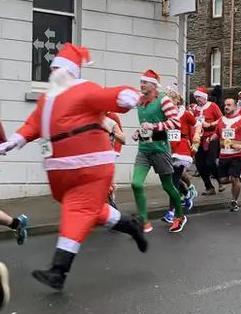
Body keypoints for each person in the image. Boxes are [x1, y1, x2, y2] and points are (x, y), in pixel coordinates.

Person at [0, 43, 148, 290]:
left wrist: (129, 95)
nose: (54, 72)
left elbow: (109, 96)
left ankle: (59, 271)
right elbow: (33, 125)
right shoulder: (46, 100)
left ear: (70, 71)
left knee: (77, 211)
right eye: (53, 68)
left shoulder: (84, 90)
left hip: (90, 167)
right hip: (62, 172)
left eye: (59, 68)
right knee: (92, 210)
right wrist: (14, 141)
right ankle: (131, 225)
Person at [131, 69, 187, 233]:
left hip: (160, 149)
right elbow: (145, 125)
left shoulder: (164, 100)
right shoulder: (140, 101)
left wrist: (154, 127)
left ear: (154, 85)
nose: (141, 85)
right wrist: (138, 132)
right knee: (136, 183)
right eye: (141, 82)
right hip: (144, 149)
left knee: (168, 186)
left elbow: (176, 122)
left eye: (145, 82)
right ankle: (144, 220)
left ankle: (179, 215)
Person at [161, 86, 197, 223]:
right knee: (168, 180)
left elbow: (197, 125)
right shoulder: (164, 115)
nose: (168, 103)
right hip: (168, 148)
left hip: (181, 149)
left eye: (171, 99)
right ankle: (187, 194)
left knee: (173, 181)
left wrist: (195, 143)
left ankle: (172, 212)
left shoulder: (185, 114)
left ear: (177, 100)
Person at [218, 98, 241, 212]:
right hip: (223, 154)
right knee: (222, 180)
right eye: (225, 105)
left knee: (234, 178)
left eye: (229, 105)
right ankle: (236, 179)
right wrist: (210, 138)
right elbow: (216, 134)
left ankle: (234, 201)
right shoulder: (221, 120)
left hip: (237, 155)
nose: (226, 107)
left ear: (235, 107)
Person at [193, 86, 223, 195]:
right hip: (198, 138)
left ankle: (220, 181)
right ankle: (209, 187)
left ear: (205, 97)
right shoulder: (195, 109)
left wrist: (210, 124)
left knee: (210, 161)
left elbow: (221, 119)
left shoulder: (212, 106)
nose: (197, 99)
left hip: (212, 136)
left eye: (199, 97)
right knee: (200, 164)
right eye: (196, 97)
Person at [103, 112, 125, 208]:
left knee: (110, 186)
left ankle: (112, 205)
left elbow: (123, 139)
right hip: (92, 160)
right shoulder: (87, 119)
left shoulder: (111, 120)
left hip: (107, 158)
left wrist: (112, 133)